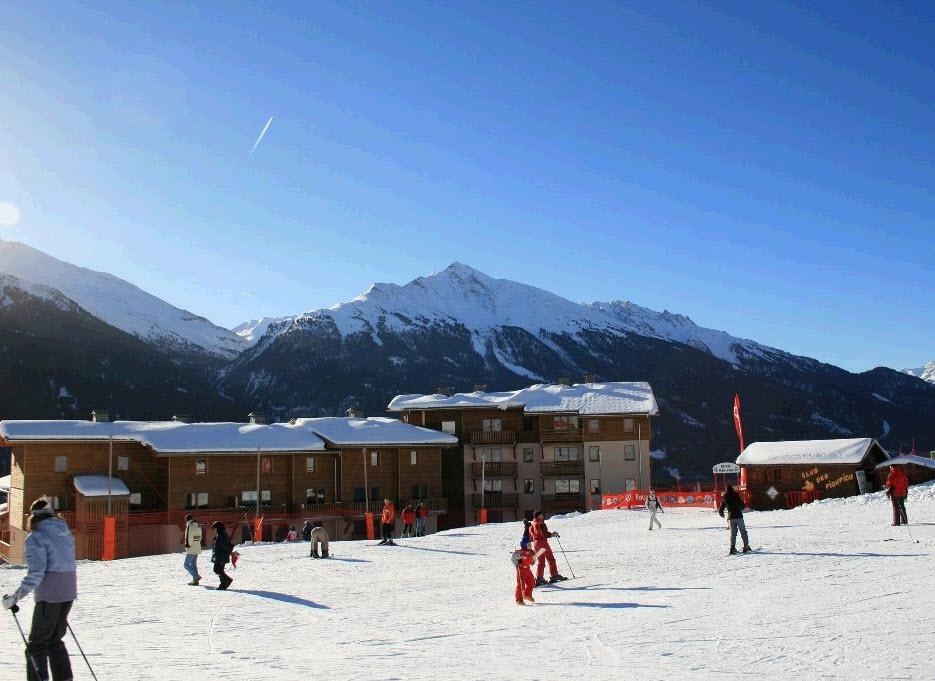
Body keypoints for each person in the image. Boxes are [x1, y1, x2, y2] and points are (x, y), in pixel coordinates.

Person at [2, 497, 77, 681]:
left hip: (49, 596)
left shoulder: (36, 536)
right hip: (68, 593)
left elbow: (36, 573)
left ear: (33, 516)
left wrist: (14, 598)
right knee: (54, 641)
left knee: (37, 645)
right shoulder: (65, 532)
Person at [529, 511, 567, 586]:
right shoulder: (540, 524)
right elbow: (544, 534)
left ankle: (539, 578)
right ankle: (554, 575)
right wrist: (553, 534)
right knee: (551, 559)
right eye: (541, 515)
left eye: (542, 515)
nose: (542, 516)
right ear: (537, 516)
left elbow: (530, 535)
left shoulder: (532, 524)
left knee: (541, 561)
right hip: (543, 543)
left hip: (536, 543)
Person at [718, 485, 751, 555]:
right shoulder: (736, 496)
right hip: (738, 516)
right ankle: (746, 546)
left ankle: (732, 548)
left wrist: (722, 514)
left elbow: (721, 508)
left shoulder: (724, 498)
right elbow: (742, 505)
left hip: (730, 517)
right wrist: (740, 508)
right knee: (743, 531)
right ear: (732, 489)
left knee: (733, 533)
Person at [511, 534, 537, 606]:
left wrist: (533, 560)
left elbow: (533, 560)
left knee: (532, 582)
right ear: (524, 545)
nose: (530, 546)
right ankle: (519, 599)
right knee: (521, 585)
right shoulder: (520, 552)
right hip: (521, 569)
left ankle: (527, 594)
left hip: (527, 569)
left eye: (530, 544)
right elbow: (513, 557)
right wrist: (519, 559)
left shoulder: (531, 551)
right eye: (528, 544)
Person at [211, 521, 234, 590]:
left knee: (217, 570)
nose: (213, 530)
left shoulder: (222, 535)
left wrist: (227, 553)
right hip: (219, 556)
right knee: (219, 570)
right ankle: (223, 584)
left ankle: (227, 581)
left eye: (214, 528)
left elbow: (225, 546)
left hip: (221, 556)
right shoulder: (220, 534)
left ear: (218, 528)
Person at [183, 513, 203, 586]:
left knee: (186, 564)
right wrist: (197, 543)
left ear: (187, 520)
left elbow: (189, 537)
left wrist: (188, 545)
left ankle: (196, 576)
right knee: (193, 564)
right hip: (197, 546)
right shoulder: (198, 525)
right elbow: (200, 536)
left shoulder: (190, 526)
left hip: (192, 547)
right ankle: (195, 581)